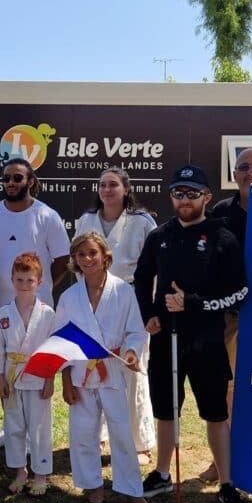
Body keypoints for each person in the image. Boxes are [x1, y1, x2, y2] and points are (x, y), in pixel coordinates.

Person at [134, 165, 250, 503]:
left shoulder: (222, 237)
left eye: (192, 193)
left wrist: (193, 303)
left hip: (208, 339)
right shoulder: (159, 236)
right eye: (178, 193)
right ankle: (162, 473)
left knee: (215, 414)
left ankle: (227, 483)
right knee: (166, 410)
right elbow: (142, 279)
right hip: (166, 339)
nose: (184, 200)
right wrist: (149, 315)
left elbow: (240, 292)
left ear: (206, 197)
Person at [58, 232, 158, 503]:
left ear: (104, 255)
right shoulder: (69, 297)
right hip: (81, 372)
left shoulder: (123, 291)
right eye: (81, 255)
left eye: (92, 253)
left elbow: (136, 331)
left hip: (113, 368)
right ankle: (94, 489)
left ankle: (133, 492)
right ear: (75, 260)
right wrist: (65, 381)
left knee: (121, 432)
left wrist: (130, 352)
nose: (87, 259)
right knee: (83, 434)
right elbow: (61, 341)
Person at [200, 148, 252, 482]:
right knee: (227, 388)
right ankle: (224, 460)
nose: (251, 172)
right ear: (234, 175)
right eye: (243, 167)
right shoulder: (220, 212)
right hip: (229, 316)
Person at [76, 167, 158, 465]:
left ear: (126, 189)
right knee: (94, 367)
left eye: (113, 185)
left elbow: (154, 269)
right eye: (102, 185)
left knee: (133, 369)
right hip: (93, 298)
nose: (107, 190)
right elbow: (78, 263)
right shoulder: (87, 220)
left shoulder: (142, 222)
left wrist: (151, 308)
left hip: (132, 299)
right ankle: (97, 435)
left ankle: (139, 444)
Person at [0, 252, 56, 498]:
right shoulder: (4, 313)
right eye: (20, 279)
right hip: (12, 376)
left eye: (30, 280)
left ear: (39, 282)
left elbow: (52, 349)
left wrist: (50, 378)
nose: (25, 285)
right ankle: (20, 471)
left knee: (39, 426)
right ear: (11, 280)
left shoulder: (48, 314)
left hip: (39, 374)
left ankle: (41, 474)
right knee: (14, 425)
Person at [0, 157, 71, 306]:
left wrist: (40, 284)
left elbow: (63, 259)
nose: (11, 183)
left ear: (30, 181)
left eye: (17, 178)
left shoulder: (47, 215)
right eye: (6, 179)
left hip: (37, 308)